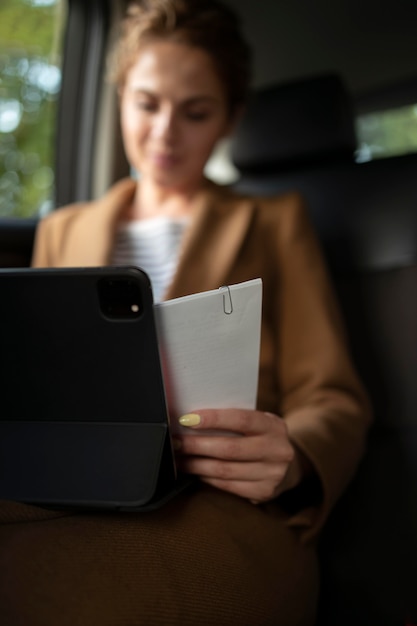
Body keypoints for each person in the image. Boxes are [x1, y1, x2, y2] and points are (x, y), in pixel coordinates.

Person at [0, 1, 371, 624]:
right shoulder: (62, 230)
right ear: (121, 99)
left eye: (195, 112)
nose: (166, 132)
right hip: (76, 484)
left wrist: (293, 460)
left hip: (222, 498)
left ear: (230, 117)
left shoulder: (276, 222)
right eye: (147, 104)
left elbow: (333, 396)